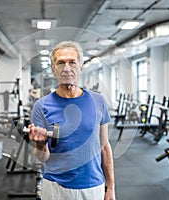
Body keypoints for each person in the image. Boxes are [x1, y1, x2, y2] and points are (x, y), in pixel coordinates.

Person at [28, 41, 116, 200]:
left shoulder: (98, 101)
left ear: (81, 67)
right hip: (55, 187)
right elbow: (42, 158)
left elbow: (104, 146)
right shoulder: (41, 106)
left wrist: (111, 187)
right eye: (60, 63)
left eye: (72, 62)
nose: (66, 68)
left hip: (93, 185)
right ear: (53, 69)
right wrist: (40, 145)